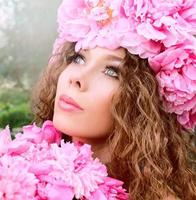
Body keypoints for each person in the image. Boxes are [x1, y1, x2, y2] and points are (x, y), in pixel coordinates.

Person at [31, 0, 196, 199]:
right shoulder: (19, 173)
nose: (77, 78)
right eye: (78, 58)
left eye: (111, 71)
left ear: (143, 102)